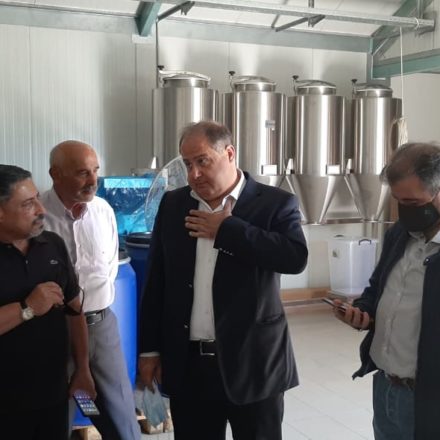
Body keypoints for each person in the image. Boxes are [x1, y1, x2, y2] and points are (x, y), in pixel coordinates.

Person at [138, 121, 308, 440]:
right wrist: (149, 351)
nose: (194, 174)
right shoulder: (174, 205)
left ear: (229, 153)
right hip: (190, 366)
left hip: (254, 364)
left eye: (202, 161)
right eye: (187, 164)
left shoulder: (275, 203)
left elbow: (294, 258)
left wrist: (228, 230)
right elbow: (156, 281)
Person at [334, 142, 440, 440]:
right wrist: (363, 312)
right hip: (385, 385)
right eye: (398, 200)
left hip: (429, 398)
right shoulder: (399, 234)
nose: (405, 210)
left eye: (413, 202)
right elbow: (377, 287)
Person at [41, 141, 141, 440]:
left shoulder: (102, 211)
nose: (93, 180)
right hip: (53, 332)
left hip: (100, 328)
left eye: (95, 171)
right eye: (82, 173)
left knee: (121, 420)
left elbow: (109, 270)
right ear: (55, 174)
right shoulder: (38, 217)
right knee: (55, 419)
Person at [0, 165, 95, 440]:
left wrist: (82, 369)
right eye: (28, 204)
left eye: (38, 199)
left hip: (52, 396)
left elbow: (74, 311)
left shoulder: (52, 244)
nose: (41, 210)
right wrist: (27, 308)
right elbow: (32, 307)